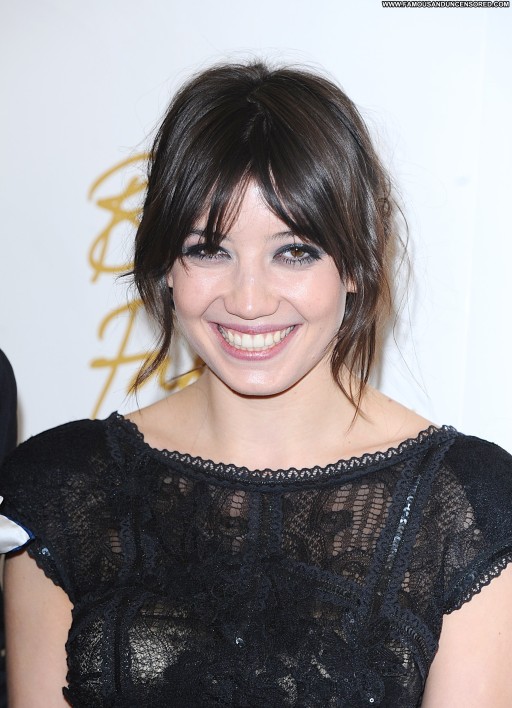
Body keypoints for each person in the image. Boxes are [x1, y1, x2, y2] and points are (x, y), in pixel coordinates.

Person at [1, 61, 512, 708]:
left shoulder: (464, 507)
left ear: (356, 264)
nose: (248, 300)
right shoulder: (60, 488)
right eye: (208, 249)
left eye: (294, 251)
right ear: (166, 265)